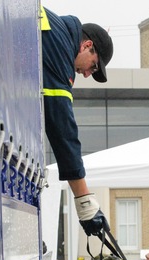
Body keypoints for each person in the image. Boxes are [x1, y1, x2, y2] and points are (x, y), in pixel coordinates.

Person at [41, 6, 113, 236]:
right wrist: (84, 201)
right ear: (87, 45)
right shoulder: (60, 46)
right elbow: (62, 128)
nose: (86, 74)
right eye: (93, 66)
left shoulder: (50, 26)